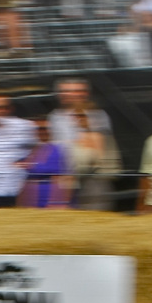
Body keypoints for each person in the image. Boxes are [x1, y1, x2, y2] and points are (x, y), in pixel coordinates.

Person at [48, 79, 119, 211]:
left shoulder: (97, 115)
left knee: (94, 213)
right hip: (62, 175)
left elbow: (97, 150)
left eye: (75, 91)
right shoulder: (54, 116)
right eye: (65, 91)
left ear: (85, 94)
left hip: (92, 176)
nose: (68, 94)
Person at [18, 116, 70, 209]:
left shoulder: (59, 148)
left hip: (52, 194)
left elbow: (62, 175)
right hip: (31, 196)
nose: (41, 132)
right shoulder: (30, 149)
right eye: (38, 129)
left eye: (44, 129)